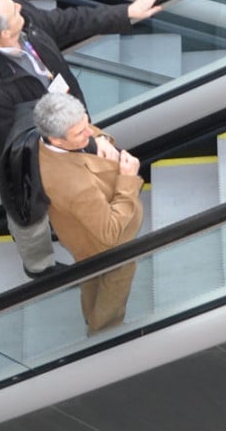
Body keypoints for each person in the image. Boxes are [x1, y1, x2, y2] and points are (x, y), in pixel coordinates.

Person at [0, 0, 166, 275]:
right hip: (32, 154)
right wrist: (72, 155)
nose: (21, 7)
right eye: (14, 10)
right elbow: (8, 148)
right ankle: (39, 268)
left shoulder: (24, 19)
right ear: (5, 33)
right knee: (29, 215)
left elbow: (70, 22)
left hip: (64, 127)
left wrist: (127, 12)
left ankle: (96, 215)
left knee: (95, 175)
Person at [33, 92, 146, 334]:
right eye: (80, 133)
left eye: (86, 123)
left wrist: (101, 138)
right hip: (106, 247)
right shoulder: (75, 186)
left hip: (81, 238)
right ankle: (103, 333)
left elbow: (88, 131)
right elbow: (110, 233)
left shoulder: (46, 141)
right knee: (114, 286)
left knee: (91, 279)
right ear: (57, 140)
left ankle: (91, 316)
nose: (89, 134)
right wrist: (128, 179)